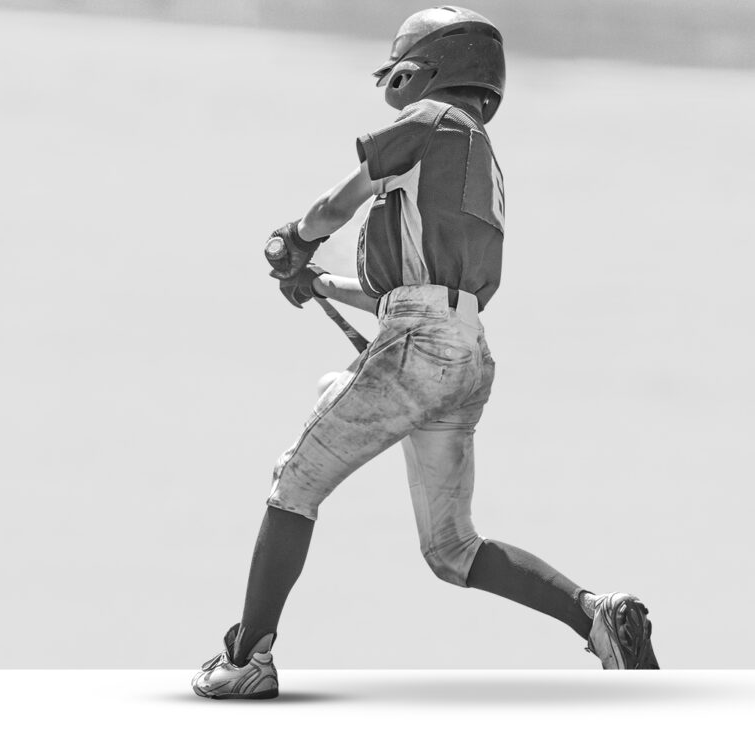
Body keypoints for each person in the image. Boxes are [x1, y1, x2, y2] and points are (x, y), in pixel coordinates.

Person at [194, 6, 658, 700]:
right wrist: (319, 282)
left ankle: (246, 659)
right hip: (463, 352)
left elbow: (333, 208)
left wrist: (294, 240)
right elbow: (415, 296)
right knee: (451, 548)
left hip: (418, 344)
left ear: (424, 69)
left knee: (294, 482)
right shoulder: (477, 157)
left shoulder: (429, 121)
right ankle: (594, 615)